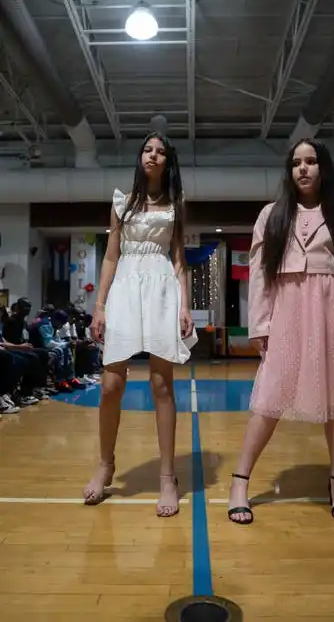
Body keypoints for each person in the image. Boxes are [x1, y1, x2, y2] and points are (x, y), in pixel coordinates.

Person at [227, 138, 334, 525]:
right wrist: (260, 324)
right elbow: (260, 274)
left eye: (311, 161)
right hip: (289, 308)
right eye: (297, 163)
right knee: (270, 396)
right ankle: (240, 482)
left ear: (323, 168)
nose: (304, 169)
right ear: (289, 170)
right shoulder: (271, 215)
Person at [83, 132, 195, 514]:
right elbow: (111, 257)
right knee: (111, 384)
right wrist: (99, 305)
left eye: (161, 151)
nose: (153, 155)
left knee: (162, 384)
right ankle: (105, 464)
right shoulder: (122, 202)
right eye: (148, 149)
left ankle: (168, 477)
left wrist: (185, 306)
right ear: (140, 157)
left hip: (162, 287)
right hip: (125, 289)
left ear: (168, 161)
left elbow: (179, 260)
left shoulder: (176, 205)